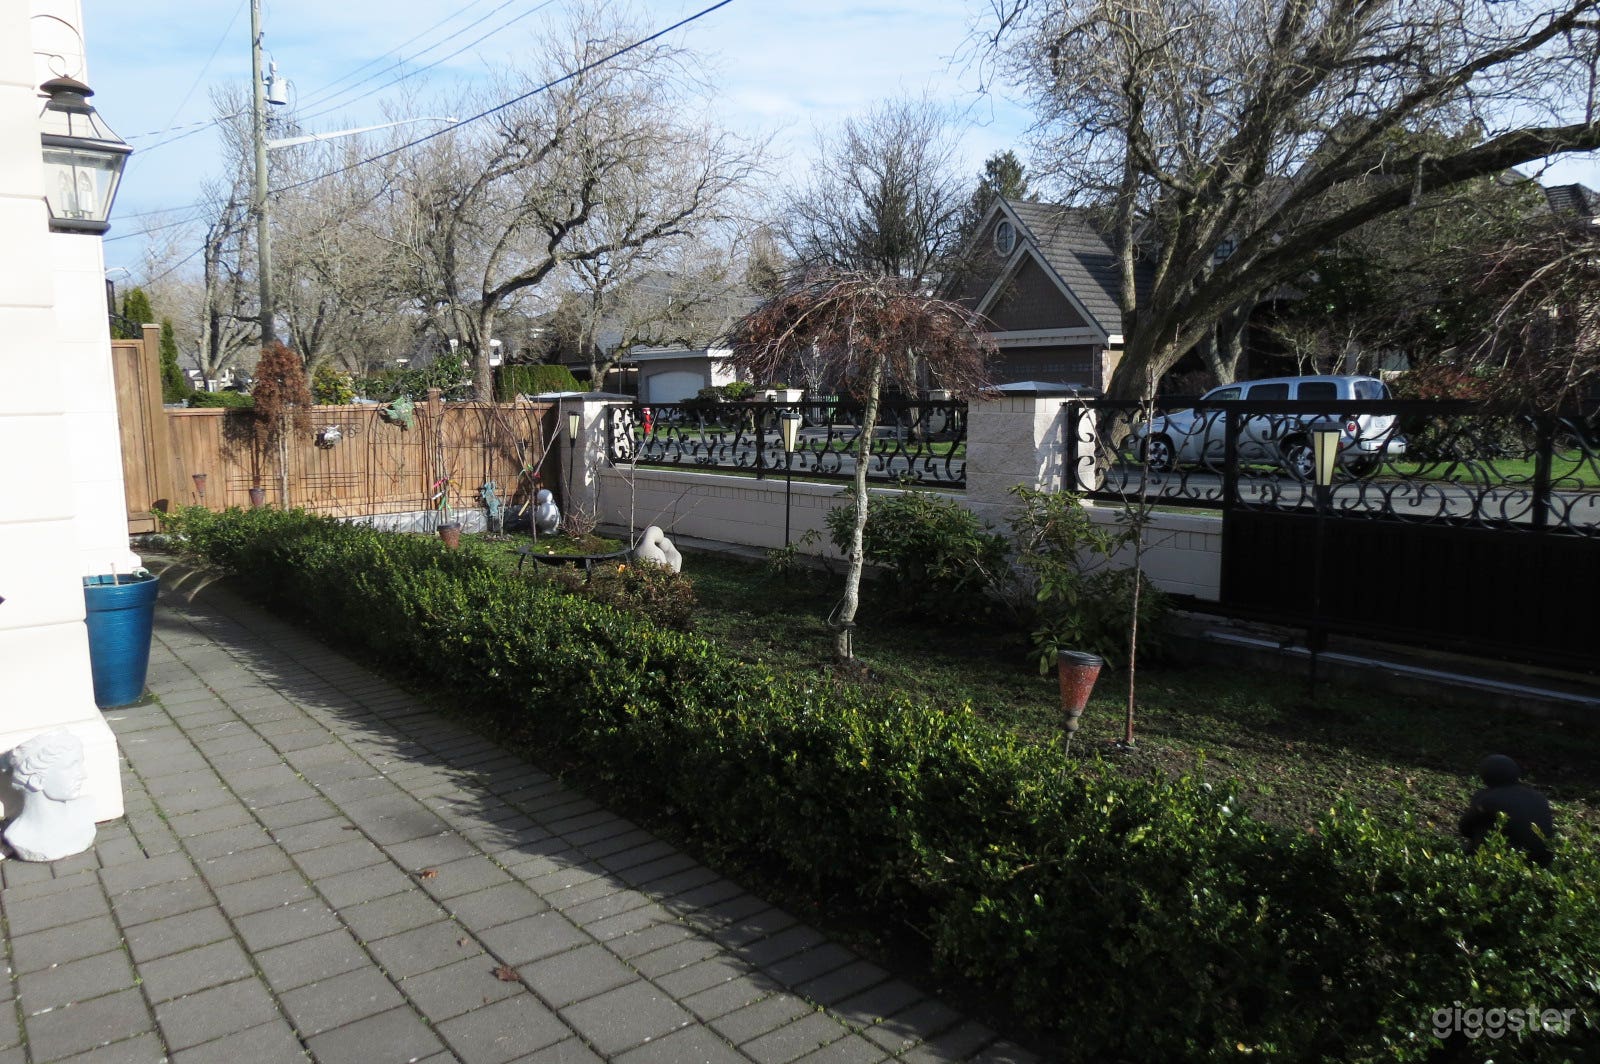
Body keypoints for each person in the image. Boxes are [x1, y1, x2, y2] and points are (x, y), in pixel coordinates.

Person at [4, 730, 96, 862]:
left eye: (80, 765)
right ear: (36, 780)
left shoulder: (86, 809)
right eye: (71, 767)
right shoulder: (19, 836)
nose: (83, 774)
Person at [1458, 754, 1554, 867]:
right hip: (1543, 861)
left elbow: (1465, 828)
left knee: (1476, 833)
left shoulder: (1487, 798)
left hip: (1508, 861)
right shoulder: (1539, 797)